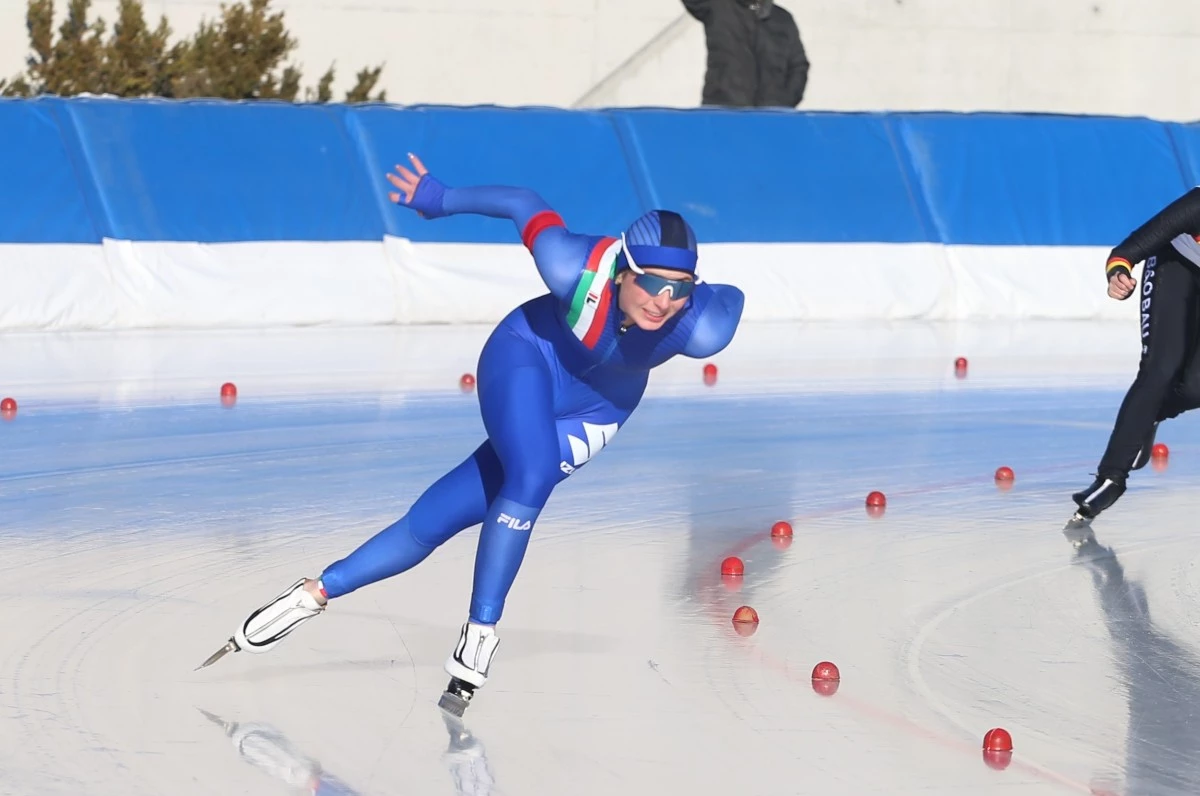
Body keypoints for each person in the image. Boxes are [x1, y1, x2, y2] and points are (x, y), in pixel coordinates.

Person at [199, 154, 746, 716]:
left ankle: (315, 592)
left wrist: (703, 295)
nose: (664, 301)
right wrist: (440, 198)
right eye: (652, 282)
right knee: (530, 474)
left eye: (681, 289)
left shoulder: (701, 326)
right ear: (623, 270)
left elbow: (732, 298)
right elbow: (523, 202)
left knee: (444, 515)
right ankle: (481, 633)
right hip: (528, 357)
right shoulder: (572, 266)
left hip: (600, 406)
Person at [1072, 186, 1200, 523]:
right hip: (1177, 266)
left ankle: (1151, 415)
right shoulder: (1196, 205)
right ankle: (1111, 477)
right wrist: (1118, 275)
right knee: (1160, 369)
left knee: (1195, 389)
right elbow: (1126, 251)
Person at [682, 0, 809, 109]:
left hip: (770, 121)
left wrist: (782, 103)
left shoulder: (783, 19)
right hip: (722, 113)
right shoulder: (718, 6)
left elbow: (798, 66)